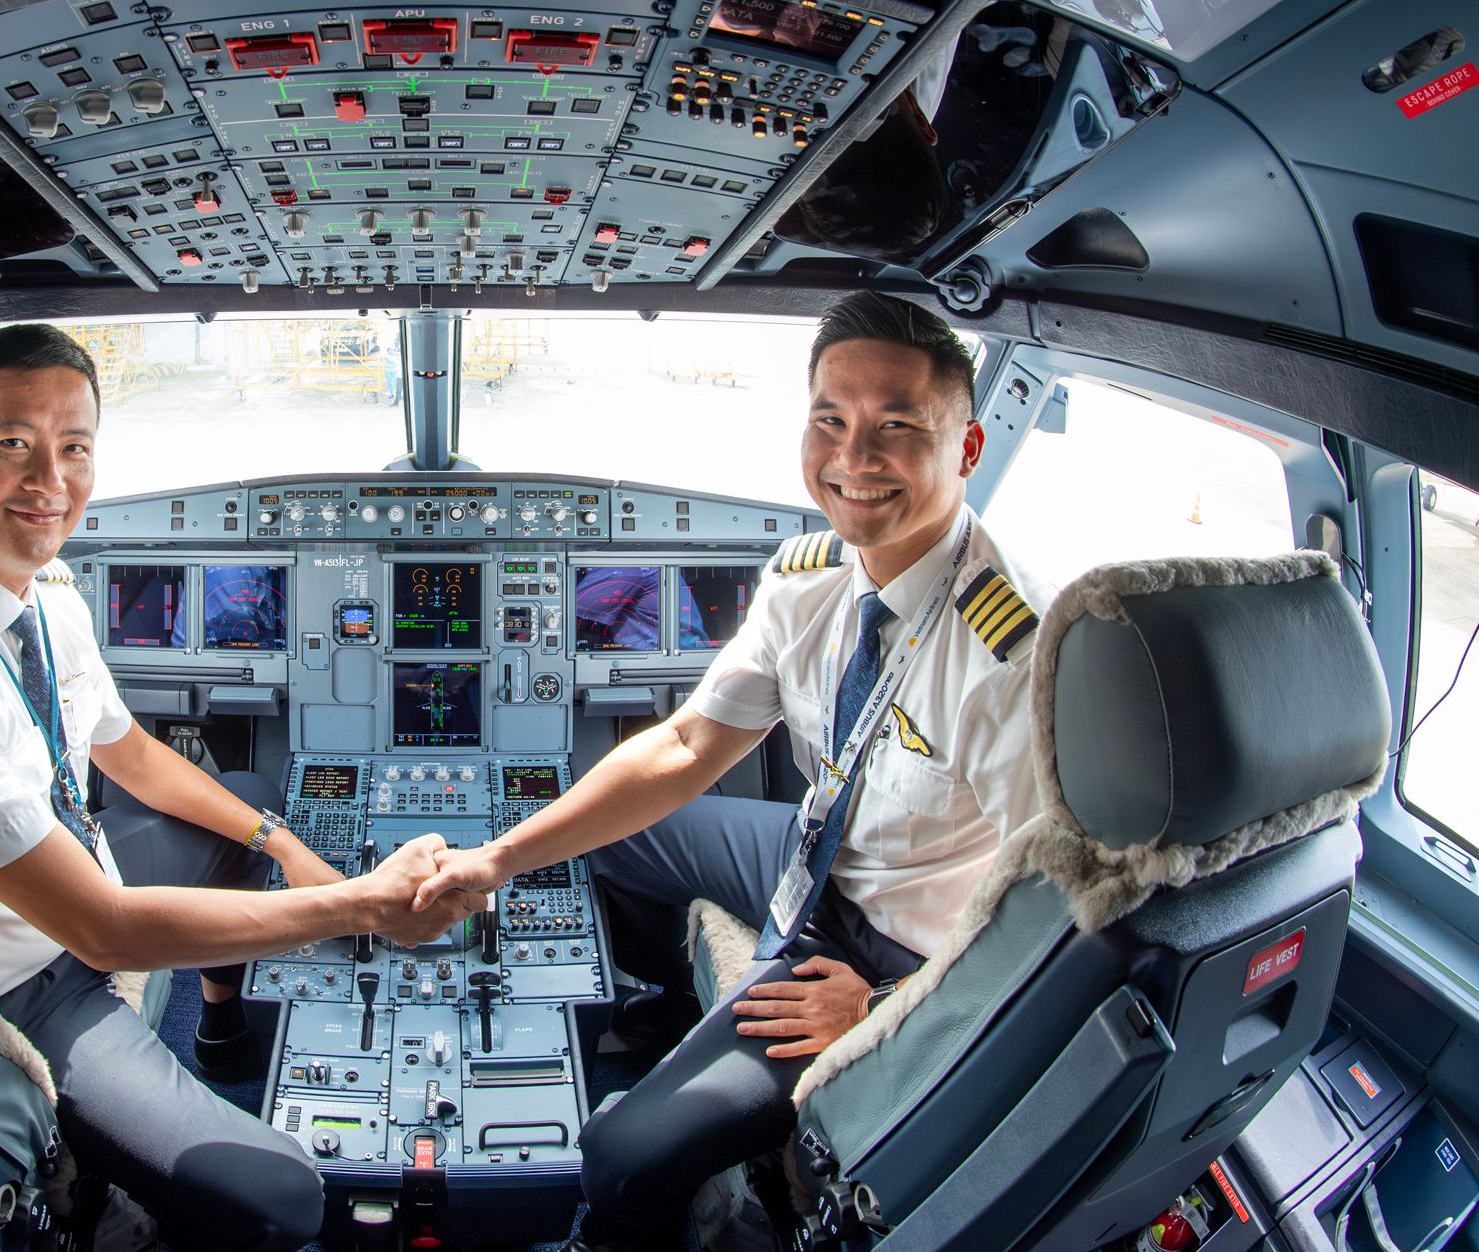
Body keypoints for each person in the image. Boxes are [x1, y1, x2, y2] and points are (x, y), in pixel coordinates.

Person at [412, 291, 1049, 1250]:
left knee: (622, 1157)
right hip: (820, 863)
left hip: (903, 949)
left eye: (897, 428)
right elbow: (684, 749)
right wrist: (498, 858)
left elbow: (1051, 919)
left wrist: (882, 1011)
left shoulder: (1010, 656)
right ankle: (659, 1009)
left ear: (965, 448)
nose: (853, 458)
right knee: (635, 833)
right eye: (830, 420)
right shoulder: (807, 581)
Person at [0, 323, 474, 1252]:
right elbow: (103, 928)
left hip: (68, 872)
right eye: (11, 443)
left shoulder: (42, 591)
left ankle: (214, 1023)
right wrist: (358, 905)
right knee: (281, 1199)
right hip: (13, 984)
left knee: (246, 801)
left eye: (73, 447)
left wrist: (281, 842)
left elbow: (129, 754)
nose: (49, 481)